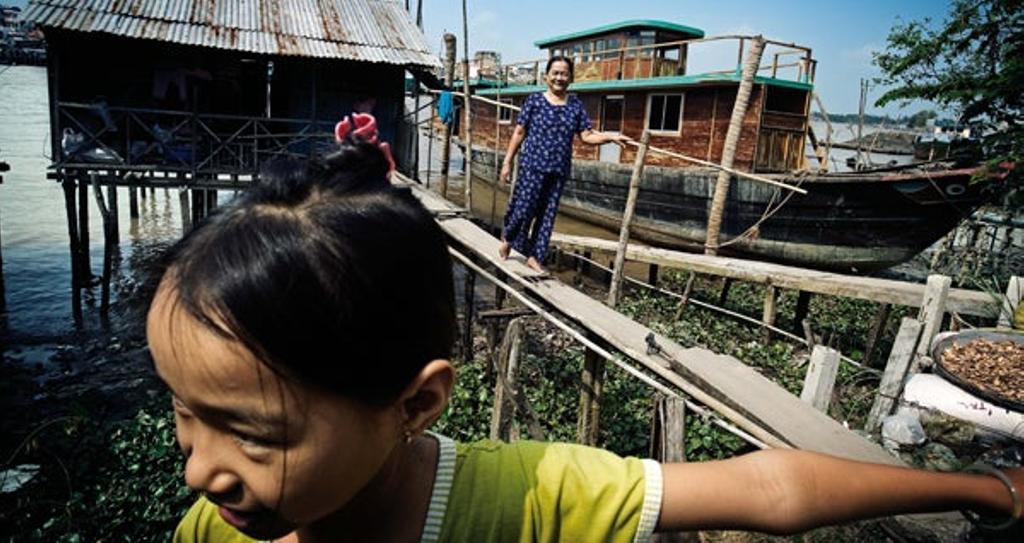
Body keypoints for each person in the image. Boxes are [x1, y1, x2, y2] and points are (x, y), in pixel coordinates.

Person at [151, 114, 1022, 543]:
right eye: (186, 411)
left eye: (249, 430)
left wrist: (983, 490)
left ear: (415, 402)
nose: (197, 468)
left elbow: (767, 491)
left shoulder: (528, 499)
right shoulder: (211, 527)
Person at [498, 56, 630, 272]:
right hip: (532, 167)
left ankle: (535, 256)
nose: (559, 78)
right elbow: (519, 132)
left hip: (558, 170)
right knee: (523, 209)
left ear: (570, 78)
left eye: (564, 74)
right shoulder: (534, 101)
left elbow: (586, 136)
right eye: (555, 73)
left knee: (547, 214)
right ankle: (508, 239)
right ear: (546, 76)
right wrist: (507, 161)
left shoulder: (575, 106)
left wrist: (610, 137)